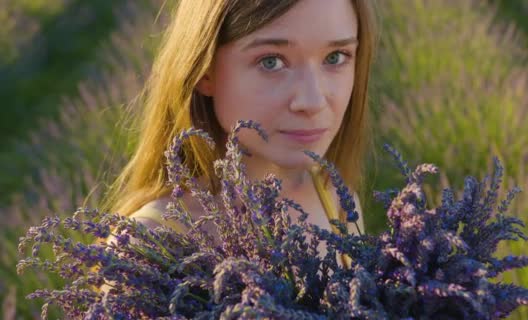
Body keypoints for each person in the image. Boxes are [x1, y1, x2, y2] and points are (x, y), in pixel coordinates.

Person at [101, 0, 377, 279]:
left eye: (336, 57)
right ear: (204, 70)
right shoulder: (146, 247)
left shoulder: (334, 197)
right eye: (271, 62)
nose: (312, 101)